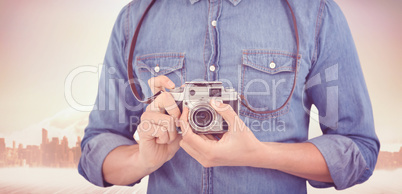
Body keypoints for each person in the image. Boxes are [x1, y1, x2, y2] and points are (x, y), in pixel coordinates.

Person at [78, 0, 380, 193]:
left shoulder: (316, 13)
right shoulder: (134, 18)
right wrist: (142, 160)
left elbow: (358, 149)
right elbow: (95, 150)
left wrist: (260, 155)